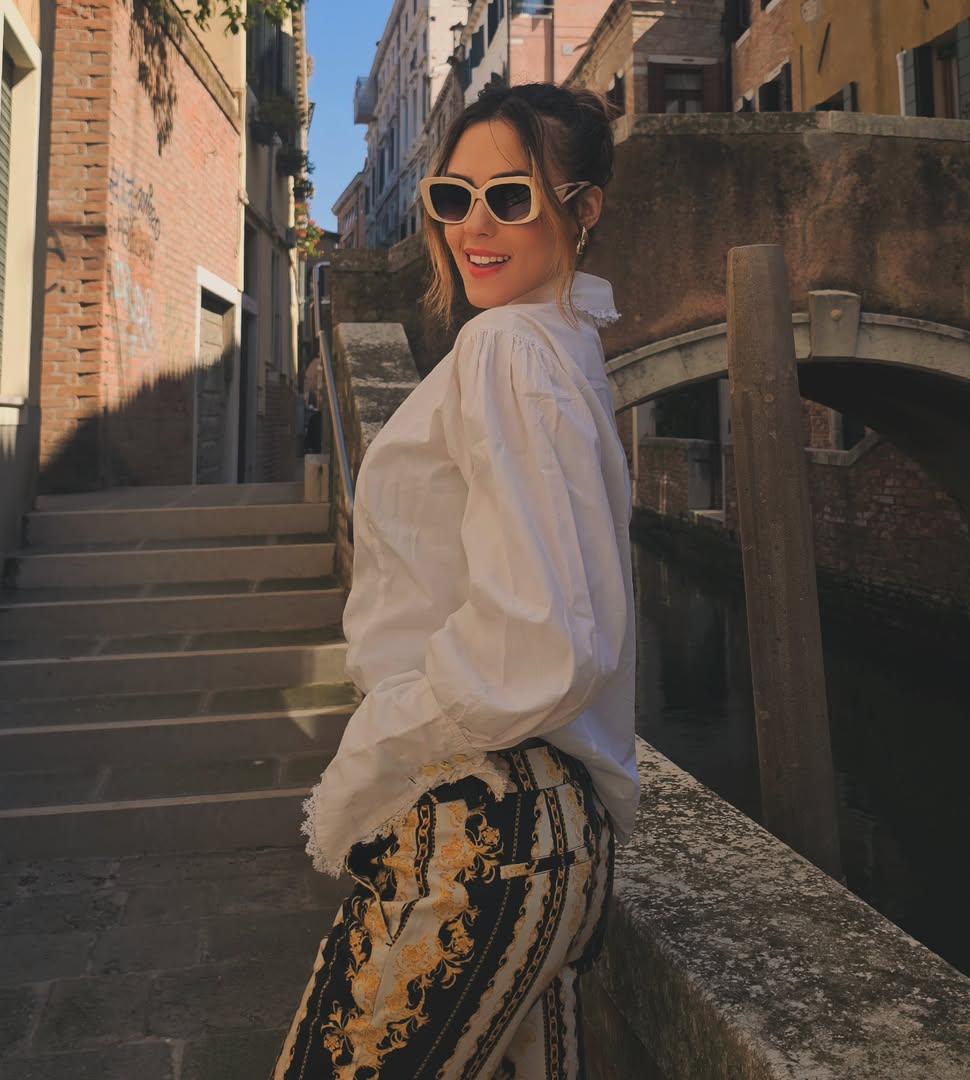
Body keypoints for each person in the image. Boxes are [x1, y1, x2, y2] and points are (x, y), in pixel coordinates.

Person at [271, 82, 638, 1080]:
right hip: (556, 837)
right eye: (451, 197)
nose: (472, 228)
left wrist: (381, 741)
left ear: (582, 210)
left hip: (481, 834)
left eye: (510, 198)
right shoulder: (562, 347)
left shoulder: (507, 347)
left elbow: (539, 643)